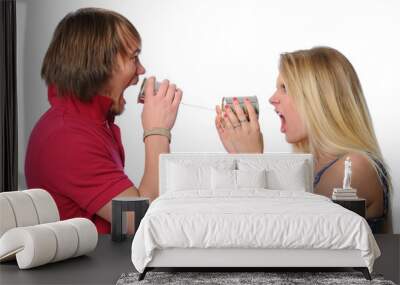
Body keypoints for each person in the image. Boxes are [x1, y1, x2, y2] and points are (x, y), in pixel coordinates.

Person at [25, 8, 182, 234]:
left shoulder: (88, 123)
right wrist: (157, 131)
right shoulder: (67, 139)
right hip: (93, 269)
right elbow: (143, 223)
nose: (141, 69)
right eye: (133, 58)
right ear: (100, 65)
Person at [215, 47, 391, 232]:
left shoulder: (355, 166)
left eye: (285, 88)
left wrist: (253, 160)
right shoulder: (313, 164)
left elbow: (289, 231)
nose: (272, 99)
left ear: (320, 99)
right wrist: (240, 156)